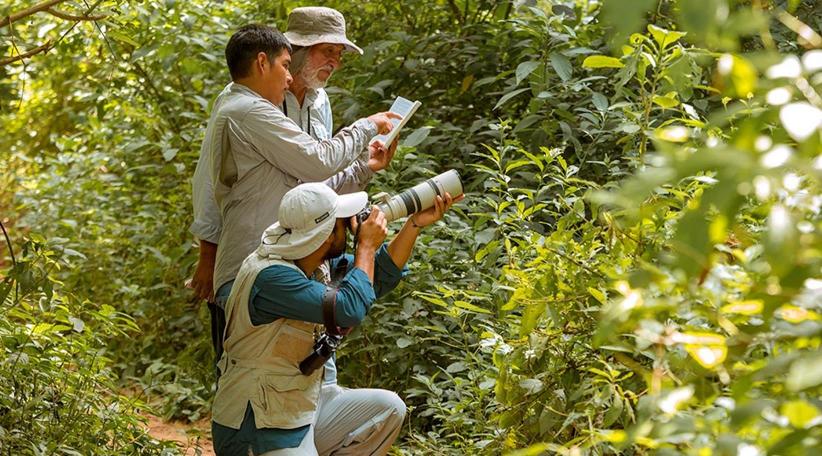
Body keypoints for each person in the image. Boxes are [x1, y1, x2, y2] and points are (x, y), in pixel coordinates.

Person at [189, 11, 397, 362]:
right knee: (245, 366)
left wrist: (364, 167)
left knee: (296, 371)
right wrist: (208, 256)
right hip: (252, 255)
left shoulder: (320, 102)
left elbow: (317, 183)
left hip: (303, 260)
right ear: (296, 50)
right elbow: (213, 181)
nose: (334, 63)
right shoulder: (248, 102)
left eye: (339, 55)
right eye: (327, 51)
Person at [212, 182, 460, 455]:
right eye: (341, 221)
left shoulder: (310, 260)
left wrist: (414, 225)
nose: (350, 223)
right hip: (258, 423)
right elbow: (349, 307)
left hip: (300, 405)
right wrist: (364, 246)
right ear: (325, 235)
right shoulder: (271, 277)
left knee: (388, 409)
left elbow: (376, 277)